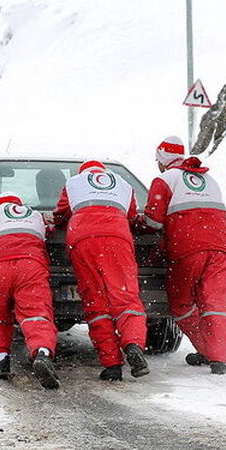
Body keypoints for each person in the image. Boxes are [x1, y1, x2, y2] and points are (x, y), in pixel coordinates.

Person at [52, 160, 149, 381]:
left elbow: (60, 214)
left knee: (95, 303)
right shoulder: (124, 184)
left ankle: (112, 364)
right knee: (125, 298)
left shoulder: (73, 182)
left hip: (82, 239)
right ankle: (133, 344)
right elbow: (132, 216)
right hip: (117, 237)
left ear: (83, 172)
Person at [143, 136, 226, 374]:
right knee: (216, 302)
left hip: (187, 251)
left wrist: (138, 222)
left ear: (162, 161)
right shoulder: (209, 179)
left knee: (182, 303)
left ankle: (205, 348)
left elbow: (152, 221)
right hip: (220, 250)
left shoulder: (164, 180)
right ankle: (218, 357)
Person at [0, 192, 60, 390]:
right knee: (36, 314)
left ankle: (1, 359)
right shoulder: (34, 214)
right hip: (30, 264)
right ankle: (42, 353)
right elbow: (50, 231)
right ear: (20, 204)